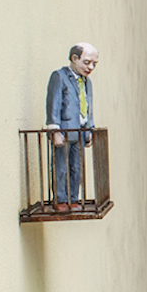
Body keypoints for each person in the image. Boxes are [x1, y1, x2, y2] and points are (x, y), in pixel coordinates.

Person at [46, 43, 99, 211]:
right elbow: (53, 104)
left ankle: (73, 198)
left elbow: (88, 106)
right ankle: (61, 199)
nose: (90, 67)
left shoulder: (86, 82)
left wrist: (89, 129)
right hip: (65, 130)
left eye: (94, 64)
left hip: (80, 131)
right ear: (74, 59)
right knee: (61, 166)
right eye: (86, 62)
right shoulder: (59, 77)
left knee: (77, 167)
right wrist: (54, 129)